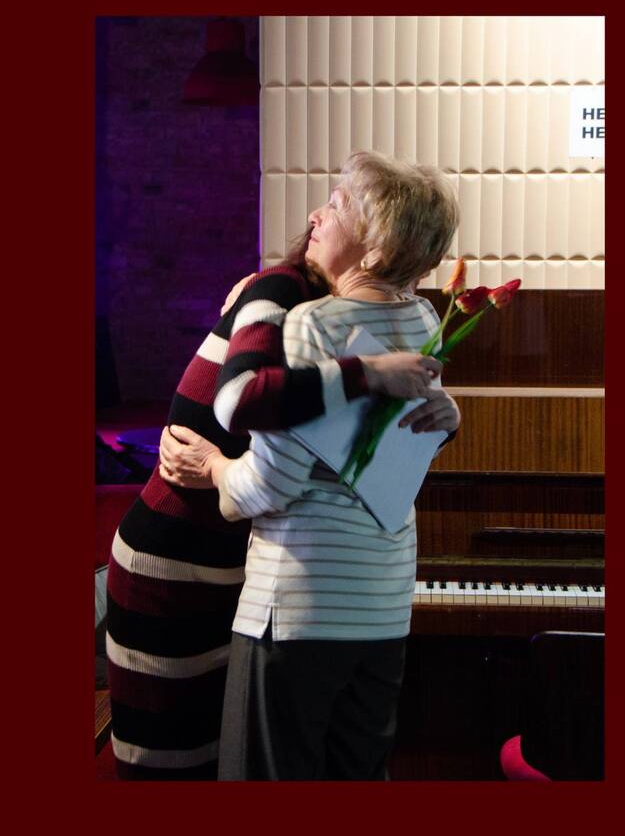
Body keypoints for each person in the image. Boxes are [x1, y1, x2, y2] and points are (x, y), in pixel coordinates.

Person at [104, 161, 447, 780]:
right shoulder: (418, 319)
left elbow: (269, 469)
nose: (315, 215)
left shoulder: (313, 321)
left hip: (291, 598)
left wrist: (213, 467)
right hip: (197, 563)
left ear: (376, 245)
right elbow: (396, 446)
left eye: (336, 204)